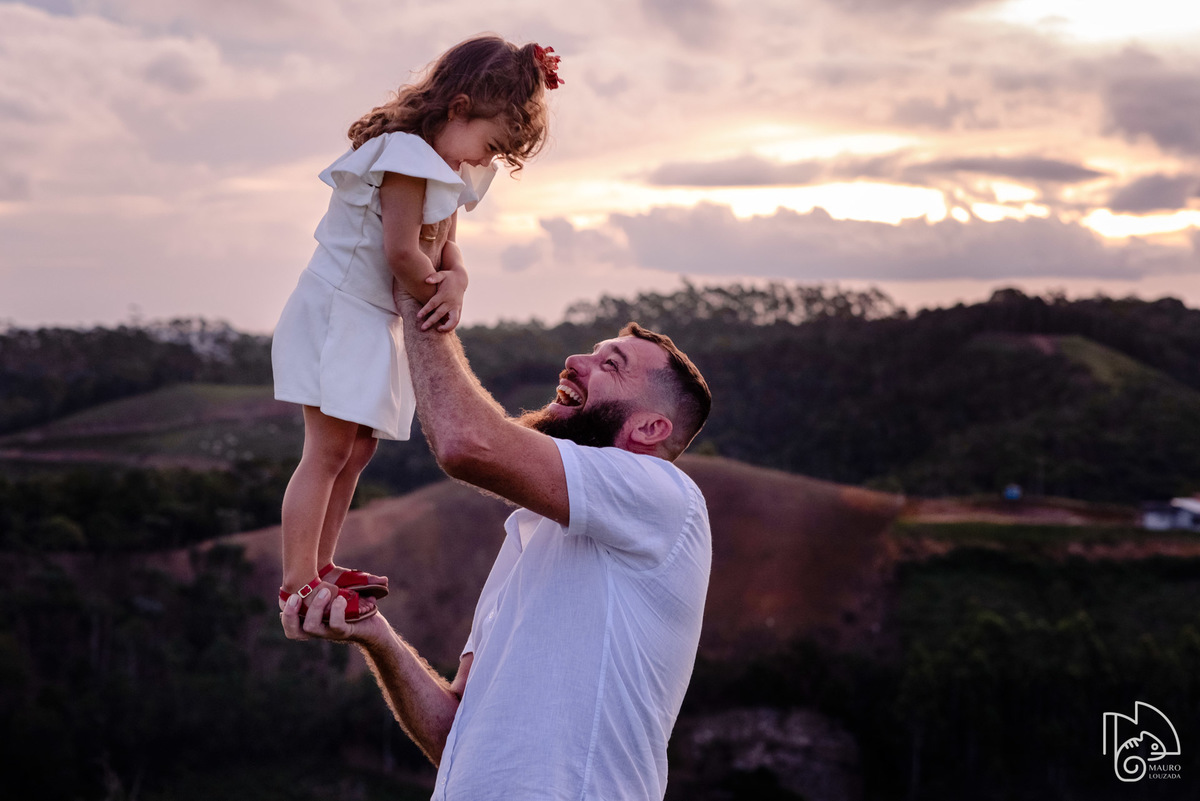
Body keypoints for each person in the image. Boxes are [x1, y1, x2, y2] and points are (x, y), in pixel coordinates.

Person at [282, 299, 713, 800]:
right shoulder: (529, 534)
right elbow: (456, 741)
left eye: (610, 364)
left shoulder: (664, 496)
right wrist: (376, 636)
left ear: (648, 429)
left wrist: (418, 293)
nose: (577, 362)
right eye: (592, 352)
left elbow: (467, 443)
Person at [271, 35, 563, 622]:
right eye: (489, 144)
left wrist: (458, 285)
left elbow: (448, 251)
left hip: (374, 321)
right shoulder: (404, 156)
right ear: (458, 108)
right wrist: (438, 292)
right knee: (327, 450)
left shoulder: (447, 169)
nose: (485, 161)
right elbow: (404, 254)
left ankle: (325, 565)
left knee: (358, 449)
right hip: (339, 314)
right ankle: (297, 580)